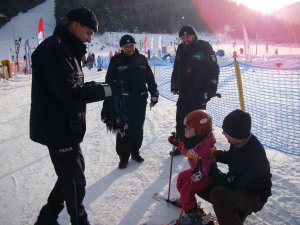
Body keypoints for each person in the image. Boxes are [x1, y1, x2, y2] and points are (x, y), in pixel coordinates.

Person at [30, 7, 124, 225]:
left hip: (66, 127)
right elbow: (68, 92)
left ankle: (47, 217)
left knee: (72, 173)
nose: (90, 38)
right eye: (89, 32)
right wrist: (107, 90)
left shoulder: (67, 49)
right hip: (57, 128)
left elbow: (75, 85)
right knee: (75, 180)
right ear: (75, 25)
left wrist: (106, 86)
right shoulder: (54, 50)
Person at [198, 109, 272, 225]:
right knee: (202, 184)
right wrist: (212, 154)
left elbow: (230, 182)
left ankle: (235, 216)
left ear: (235, 134)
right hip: (241, 185)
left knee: (218, 194)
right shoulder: (241, 142)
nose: (223, 133)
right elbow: (230, 157)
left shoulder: (252, 158)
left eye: (226, 131)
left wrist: (211, 166)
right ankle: (236, 212)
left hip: (255, 196)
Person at [104, 34, 159, 169]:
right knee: (124, 128)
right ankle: (123, 157)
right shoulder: (116, 60)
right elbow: (109, 81)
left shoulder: (142, 59)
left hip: (140, 100)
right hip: (123, 101)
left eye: (131, 46)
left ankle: (135, 152)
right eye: (126, 46)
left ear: (134, 45)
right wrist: (108, 101)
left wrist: (154, 93)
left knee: (137, 128)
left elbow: (150, 79)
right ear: (122, 48)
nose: (129, 48)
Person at [170, 25, 220, 156]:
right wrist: (174, 85)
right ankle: (182, 144)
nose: (185, 39)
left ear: (194, 35)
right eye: (182, 37)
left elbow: (214, 68)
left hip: (199, 92)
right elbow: (177, 67)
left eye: (188, 36)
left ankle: (199, 147)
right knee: (181, 119)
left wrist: (212, 89)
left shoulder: (204, 47)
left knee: (197, 122)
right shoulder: (181, 48)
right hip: (184, 92)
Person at [168, 110, 216, 225]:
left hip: (205, 176)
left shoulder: (205, 147)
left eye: (189, 128)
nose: (185, 129)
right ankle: (187, 202)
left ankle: (193, 216)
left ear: (200, 130)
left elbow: (207, 164)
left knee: (186, 189)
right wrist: (178, 143)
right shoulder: (195, 141)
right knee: (181, 178)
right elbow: (187, 151)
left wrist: (200, 174)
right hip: (196, 172)